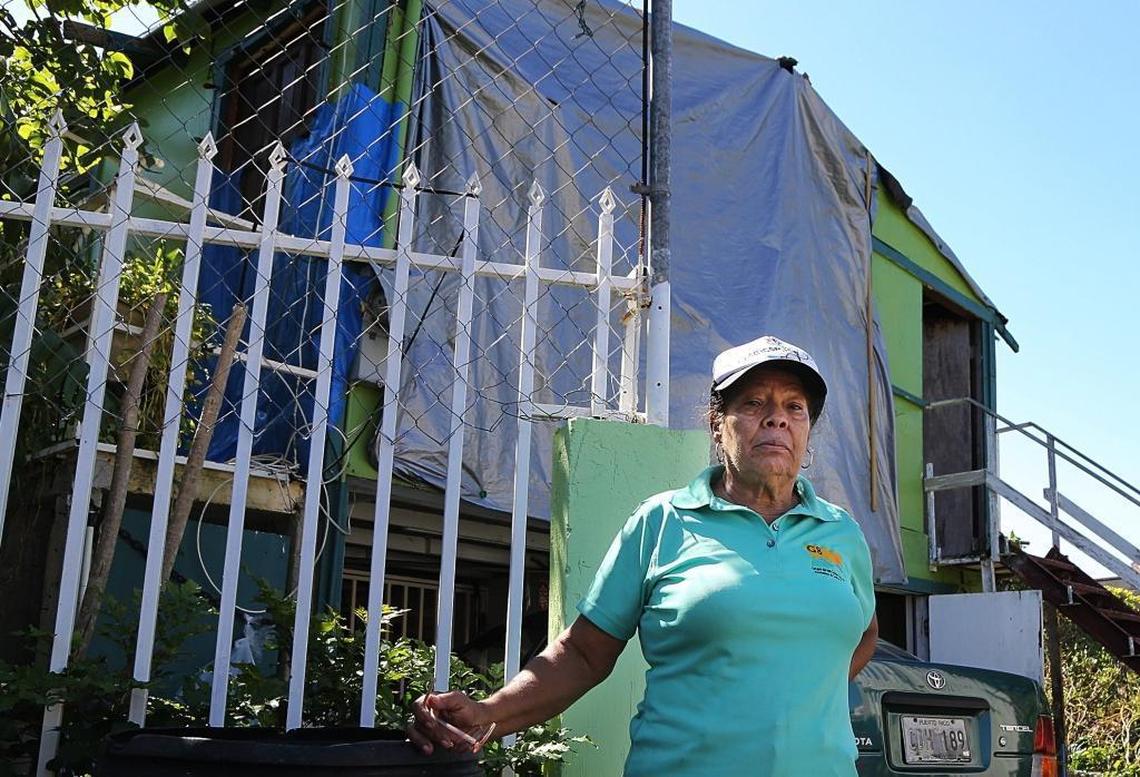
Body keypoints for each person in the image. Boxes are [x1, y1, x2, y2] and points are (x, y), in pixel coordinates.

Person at [408, 335, 879, 776]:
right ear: (718, 422)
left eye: (794, 407)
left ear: (807, 427)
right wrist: (490, 713)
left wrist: (802, 686)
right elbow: (583, 654)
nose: (776, 419)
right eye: (754, 403)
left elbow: (864, 631)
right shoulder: (662, 521)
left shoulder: (841, 533)